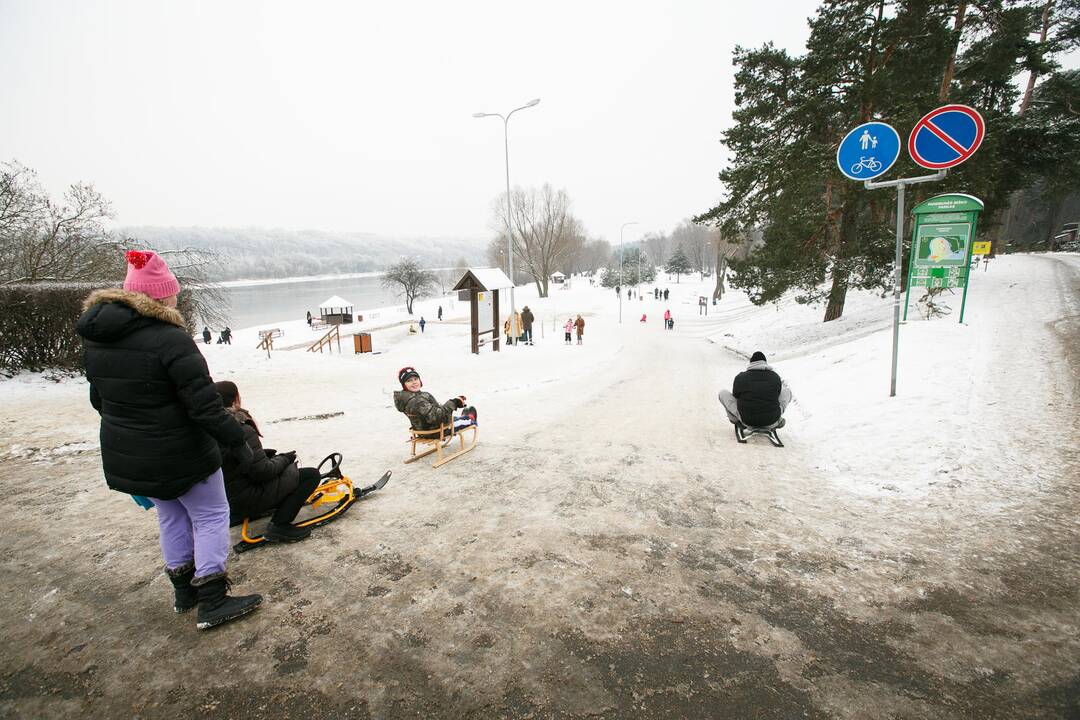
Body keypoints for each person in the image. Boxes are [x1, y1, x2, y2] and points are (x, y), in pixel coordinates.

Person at [76, 249, 261, 630]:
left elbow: (100, 400)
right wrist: (237, 438)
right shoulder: (169, 339)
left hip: (133, 451)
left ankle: (183, 592)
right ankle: (212, 598)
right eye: (172, 292)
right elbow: (205, 405)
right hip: (181, 451)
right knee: (210, 515)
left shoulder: (99, 338)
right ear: (161, 296)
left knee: (171, 514)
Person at [213, 381, 320, 543]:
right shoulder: (240, 429)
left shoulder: (210, 428)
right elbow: (262, 472)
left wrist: (263, 454)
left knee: (280, 468)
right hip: (248, 497)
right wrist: (285, 459)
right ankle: (280, 525)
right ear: (235, 400)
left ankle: (240, 515)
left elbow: (235, 461)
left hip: (228, 499)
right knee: (310, 475)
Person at [718, 351, 793, 430]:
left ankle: (736, 420)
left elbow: (736, 396)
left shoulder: (740, 377)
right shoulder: (775, 377)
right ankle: (778, 420)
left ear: (751, 364)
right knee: (787, 391)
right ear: (765, 363)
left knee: (723, 393)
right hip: (771, 421)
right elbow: (777, 396)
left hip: (747, 421)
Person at [393, 367, 477, 437]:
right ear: (404, 385)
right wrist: (454, 403)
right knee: (461, 421)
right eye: (409, 380)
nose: (414, 382)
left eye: (415, 379)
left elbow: (431, 413)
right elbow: (437, 417)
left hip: (422, 429)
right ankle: (470, 418)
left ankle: (462, 417)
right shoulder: (417, 401)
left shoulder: (410, 397)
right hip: (436, 431)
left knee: (453, 418)